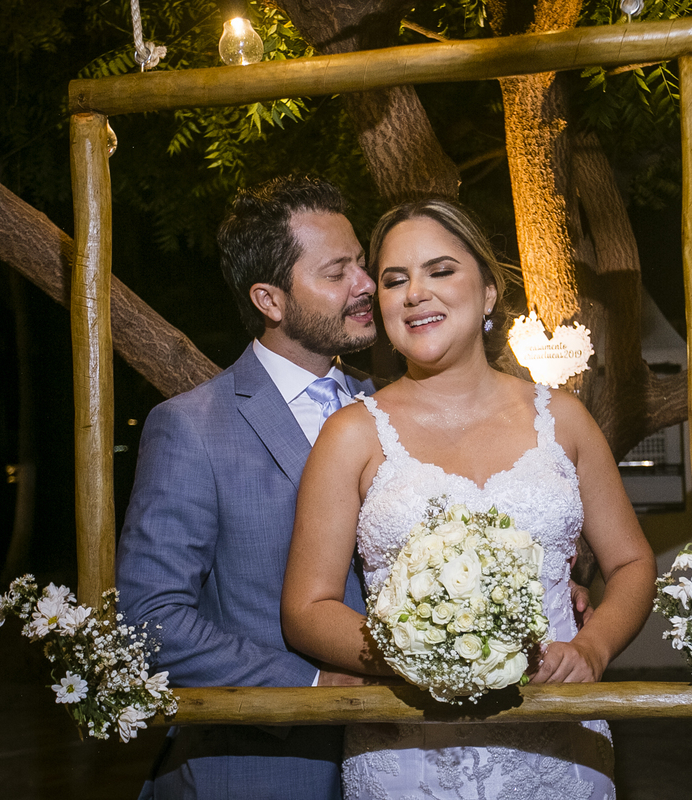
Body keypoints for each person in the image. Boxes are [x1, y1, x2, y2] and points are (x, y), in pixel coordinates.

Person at [282, 199, 657, 799]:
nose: (415, 294)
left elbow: (632, 562)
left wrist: (593, 646)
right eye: (394, 280)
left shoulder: (563, 420)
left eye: (440, 270)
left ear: (487, 292)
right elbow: (307, 608)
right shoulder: (351, 434)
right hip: (408, 755)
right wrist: (418, 651)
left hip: (555, 743)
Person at [115, 175, 379, 799]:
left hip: (406, 761)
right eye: (337, 271)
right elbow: (149, 620)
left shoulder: (391, 407)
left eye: (361, 263)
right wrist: (309, 689)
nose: (366, 284)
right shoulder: (191, 427)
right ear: (270, 300)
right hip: (260, 769)